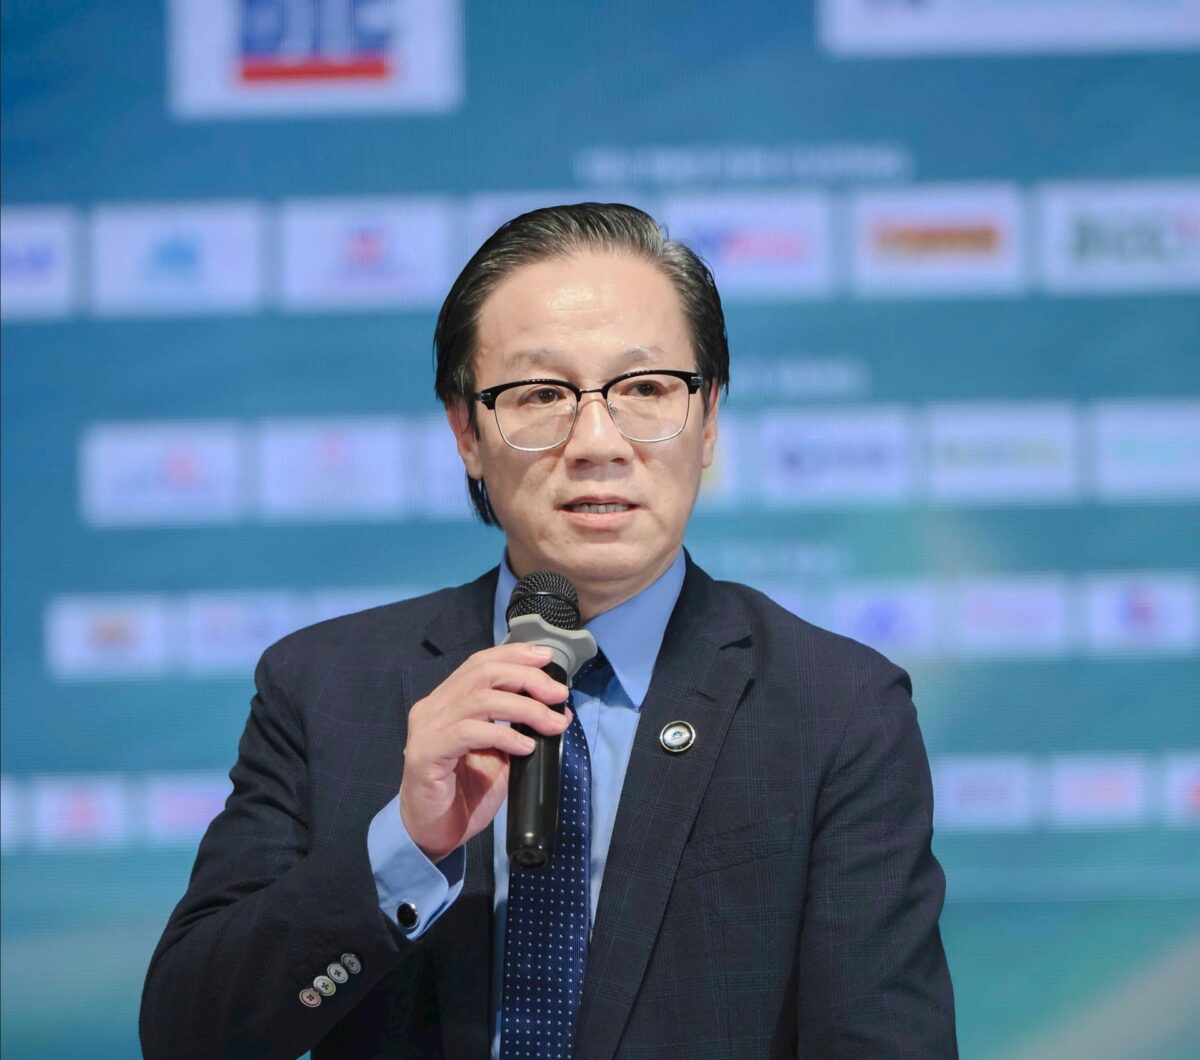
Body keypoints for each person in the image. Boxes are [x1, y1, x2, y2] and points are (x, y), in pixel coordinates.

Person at [141, 203, 957, 1059]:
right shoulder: (325, 687)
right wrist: (404, 846)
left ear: (709, 417)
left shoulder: (837, 708)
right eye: (541, 395)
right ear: (467, 432)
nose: (598, 442)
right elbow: (188, 1035)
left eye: (646, 389)